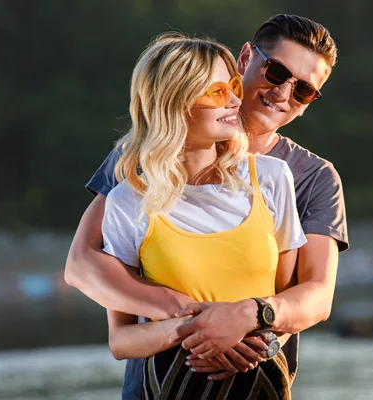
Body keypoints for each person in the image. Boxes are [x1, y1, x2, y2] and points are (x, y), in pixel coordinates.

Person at [65, 14, 349, 399]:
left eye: (304, 91)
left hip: (255, 380)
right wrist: (193, 320)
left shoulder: (307, 176)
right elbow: (83, 263)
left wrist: (249, 326)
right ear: (246, 57)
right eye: (277, 72)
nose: (284, 93)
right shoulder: (139, 159)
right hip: (159, 384)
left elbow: (314, 294)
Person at [102, 32, 306, 399]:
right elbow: (121, 340)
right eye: (216, 92)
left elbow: (287, 301)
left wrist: (252, 337)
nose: (233, 100)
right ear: (174, 102)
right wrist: (201, 333)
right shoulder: (128, 201)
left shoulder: (272, 179)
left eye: (232, 86)